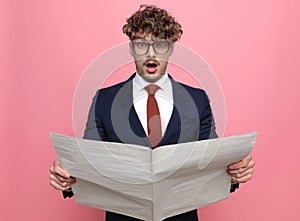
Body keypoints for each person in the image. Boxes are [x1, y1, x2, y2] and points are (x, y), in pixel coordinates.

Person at [49, 5, 255, 221]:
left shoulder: (198, 99)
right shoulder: (104, 100)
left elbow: (210, 164)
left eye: (160, 44)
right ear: (131, 48)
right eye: (141, 45)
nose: (151, 53)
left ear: (171, 48)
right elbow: (89, 163)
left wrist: (233, 174)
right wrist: (67, 176)